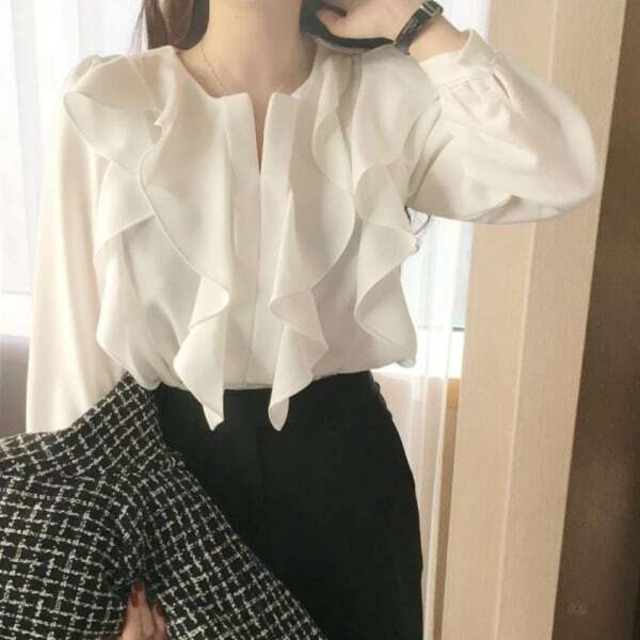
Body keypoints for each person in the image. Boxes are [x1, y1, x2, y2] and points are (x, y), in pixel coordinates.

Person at [24, 0, 601, 638]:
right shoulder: (112, 100)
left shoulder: (383, 94)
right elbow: (72, 353)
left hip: (348, 484)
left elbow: (559, 170)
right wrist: (91, 583)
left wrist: (414, 23)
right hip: (167, 488)